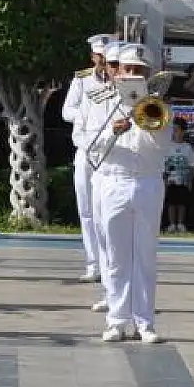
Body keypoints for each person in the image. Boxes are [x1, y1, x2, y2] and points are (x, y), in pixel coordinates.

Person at [85, 44, 168, 343]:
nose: (133, 75)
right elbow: (87, 142)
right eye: (128, 70)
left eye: (139, 71)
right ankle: (116, 320)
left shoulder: (158, 106)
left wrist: (142, 121)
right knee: (116, 257)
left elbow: (161, 147)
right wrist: (112, 131)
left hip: (147, 182)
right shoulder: (101, 102)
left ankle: (144, 322)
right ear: (118, 71)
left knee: (145, 255)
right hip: (113, 182)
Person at [61, 34, 115, 284]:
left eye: (107, 57)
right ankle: (93, 263)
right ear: (93, 57)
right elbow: (67, 111)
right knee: (86, 209)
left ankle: (110, 262)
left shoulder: (118, 81)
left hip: (110, 150)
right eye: (99, 57)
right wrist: (87, 112)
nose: (103, 62)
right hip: (86, 147)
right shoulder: (82, 81)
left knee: (108, 209)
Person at [163, 118, 194, 234]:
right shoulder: (167, 146)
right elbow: (164, 164)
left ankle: (181, 223)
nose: (174, 132)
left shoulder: (187, 147)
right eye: (172, 130)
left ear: (183, 131)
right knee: (171, 202)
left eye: (177, 130)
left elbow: (192, 165)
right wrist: (165, 179)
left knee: (182, 203)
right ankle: (172, 224)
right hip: (170, 180)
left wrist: (190, 180)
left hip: (183, 179)